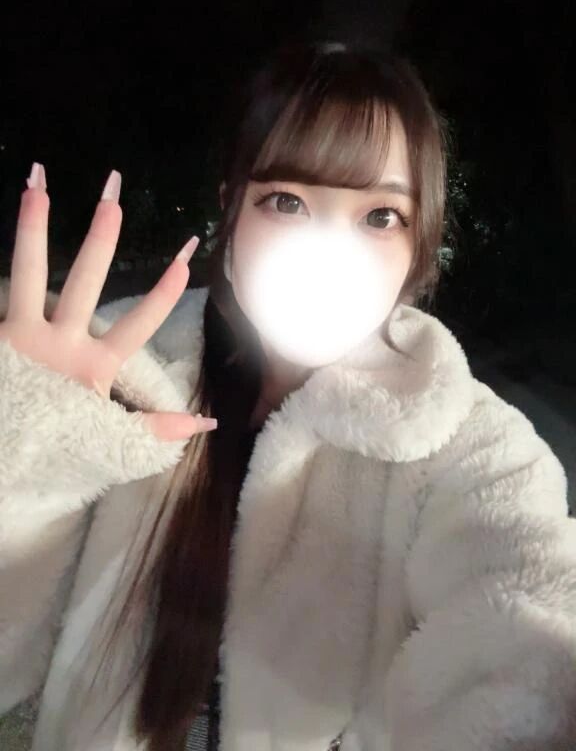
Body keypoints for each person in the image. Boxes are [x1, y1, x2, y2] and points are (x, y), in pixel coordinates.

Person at [1, 37, 576, 751]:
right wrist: (25, 446)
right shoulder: (108, 373)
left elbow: (529, 616)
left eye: (380, 216)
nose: (329, 253)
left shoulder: (466, 441)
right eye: (286, 201)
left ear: (418, 247)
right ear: (231, 215)